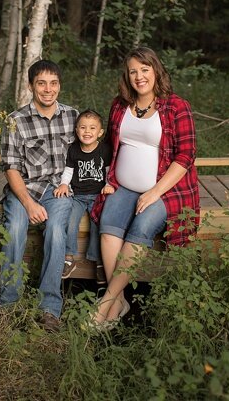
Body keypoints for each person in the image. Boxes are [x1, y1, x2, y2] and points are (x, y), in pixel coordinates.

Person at [90, 47, 199, 327]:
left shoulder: (176, 106)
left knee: (140, 229)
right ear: (127, 76)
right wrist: (104, 179)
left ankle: (105, 303)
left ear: (155, 71)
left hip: (166, 190)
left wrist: (154, 192)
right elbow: (110, 147)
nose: (139, 76)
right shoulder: (119, 105)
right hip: (122, 187)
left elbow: (186, 155)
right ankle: (120, 300)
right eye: (133, 71)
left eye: (145, 69)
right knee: (108, 226)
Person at [0, 59, 78, 331]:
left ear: (60, 85)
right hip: (25, 189)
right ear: (31, 85)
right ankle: (8, 304)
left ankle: (49, 309)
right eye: (41, 83)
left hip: (58, 190)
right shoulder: (15, 120)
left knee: (57, 230)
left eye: (53, 83)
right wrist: (28, 203)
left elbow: (87, 152)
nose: (48, 89)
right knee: (16, 228)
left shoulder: (72, 116)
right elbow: (10, 167)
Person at [55, 109, 115, 283]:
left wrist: (109, 184)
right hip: (78, 196)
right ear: (76, 130)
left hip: (98, 195)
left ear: (100, 132)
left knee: (98, 224)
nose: (87, 132)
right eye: (83, 127)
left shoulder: (104, 150)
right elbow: (68, 170)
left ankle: (98, 262)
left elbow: (108, 171)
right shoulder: (74, 149)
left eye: (92, 128)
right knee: (70, 220)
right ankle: (68, 257)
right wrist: (64, 183)